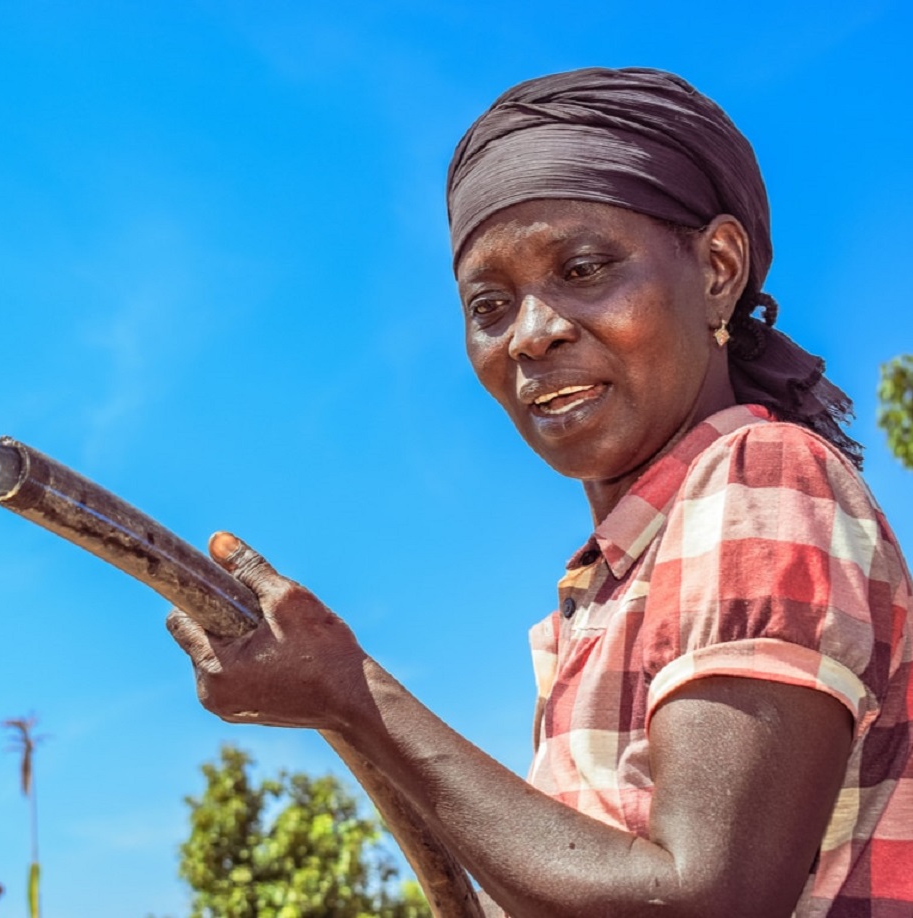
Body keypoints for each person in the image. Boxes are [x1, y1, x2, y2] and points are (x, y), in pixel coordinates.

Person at [166, 68, 913, 917]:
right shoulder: (610, 583)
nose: (531, 334)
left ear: (716, 268)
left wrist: (353, 696)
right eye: (490, 305)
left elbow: (705, 898)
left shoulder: (760, 476)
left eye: (585, 268)